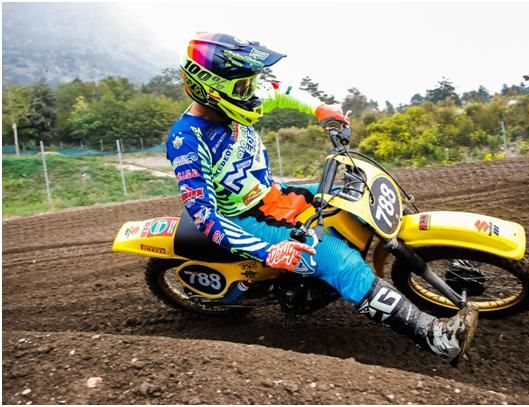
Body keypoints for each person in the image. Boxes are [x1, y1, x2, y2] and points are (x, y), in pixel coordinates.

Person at [166, 32, 479, 363]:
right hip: (247, 218)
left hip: (276, 194)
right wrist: (270, 251)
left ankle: (441, 256)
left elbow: (279, 90)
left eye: (251, 82)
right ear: (210, 90)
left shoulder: (238, 100)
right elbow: (204, 215)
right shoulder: (187, 141)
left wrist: (319, 108)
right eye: (244, 86)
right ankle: (435, 337)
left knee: (362, 194)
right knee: (342, 262)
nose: (253, 92)